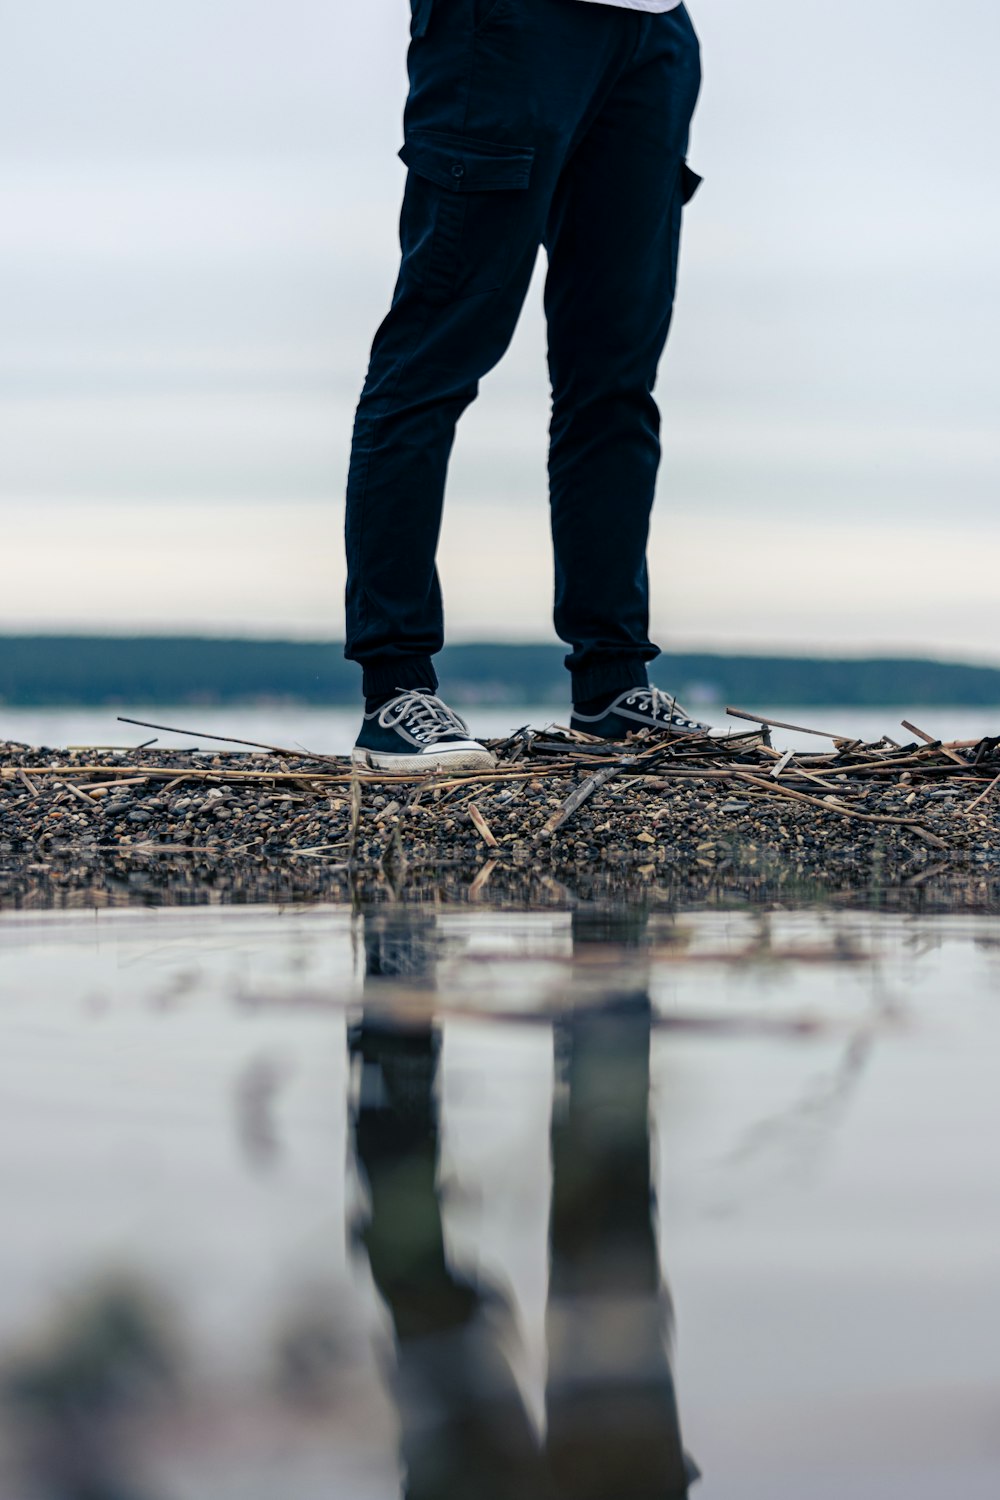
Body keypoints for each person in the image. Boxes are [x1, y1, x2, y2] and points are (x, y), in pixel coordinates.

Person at [346, 0, 708, 772]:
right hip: (509, 26)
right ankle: (395, 689)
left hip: (654, 31)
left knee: (615, 382)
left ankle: (612, 686)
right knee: (434, 358)